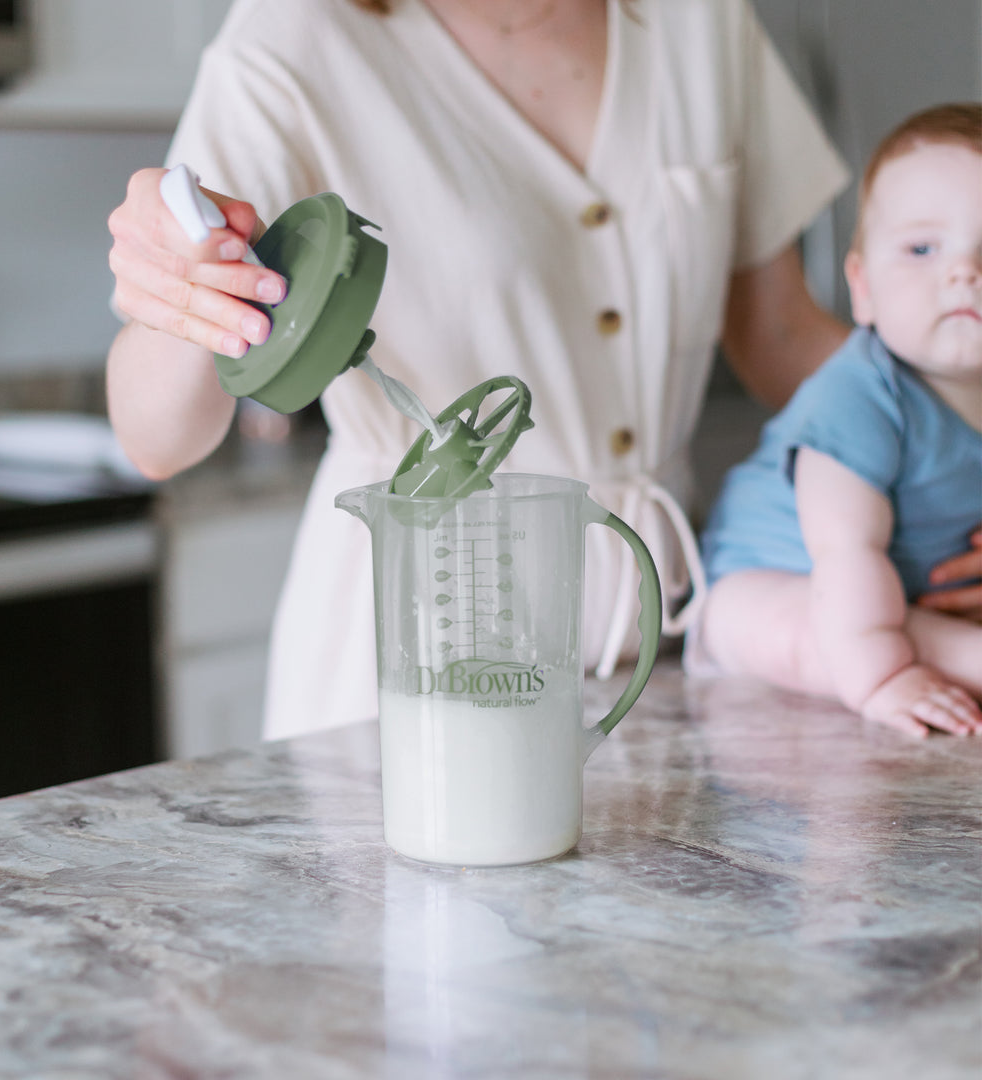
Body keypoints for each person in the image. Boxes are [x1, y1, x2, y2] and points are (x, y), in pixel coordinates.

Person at [108, 0, 872, 740]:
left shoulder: (700, 21)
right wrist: (185, 282)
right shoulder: (296, 33)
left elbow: (781, 335)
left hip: (657, 660)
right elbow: (156, 441)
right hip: (409, 664)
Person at [691, 103, 982, 738]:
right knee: (795, 630)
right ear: (864, 286)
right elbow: (845, 552)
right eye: (923, 248)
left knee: (895, 617)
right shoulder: (858, 398)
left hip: (899, 595)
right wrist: (883, 677)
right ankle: (944, 659)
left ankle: (938, 648)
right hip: (784, 579)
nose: (965, 272)